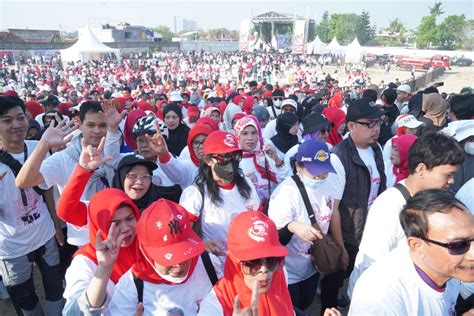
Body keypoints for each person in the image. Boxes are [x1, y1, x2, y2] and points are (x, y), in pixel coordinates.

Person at [348, 133, 465, 297]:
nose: (452, 181)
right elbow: (371, 262)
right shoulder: (390, 205)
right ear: (422, 169)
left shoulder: (434, 201)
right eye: (447, 175)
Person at [16, 100, 123, 247]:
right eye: (91, 125)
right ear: (80, 125)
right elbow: (23, 182)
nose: (97, 131)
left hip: (118, 233)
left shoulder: (114, 153)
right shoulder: (64, 158)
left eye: (103, 125)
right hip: (85, 239)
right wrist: (44, 144)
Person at [349, 189, 474, 315]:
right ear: (416, 245)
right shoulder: (380, 296)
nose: (472, 253)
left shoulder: (449, 271)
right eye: (458, 245)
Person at [0, 95, 64, 315]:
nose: (16, 125)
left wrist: (56, 226)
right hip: (13, 248)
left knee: (56, 291)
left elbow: (46, 192)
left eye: (20, 117)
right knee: (26, 302)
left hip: (45, 234)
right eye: (7, 121)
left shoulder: (38, 148)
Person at [322, 97, 387, 311]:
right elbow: (334, 209)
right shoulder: (339, 157)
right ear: (351, 126)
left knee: (357, 273)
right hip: (349, 232)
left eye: (378, 122)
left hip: (370, 227)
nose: (376, 129)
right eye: (369, 124)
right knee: (337, 275)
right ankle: (329, 307)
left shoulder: (375, 149)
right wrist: (341, 247)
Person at [108, 199, 222, 315]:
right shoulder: (131, 287)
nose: (178, 264)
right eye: (168, 258)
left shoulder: (209, 265)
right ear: (146, 253)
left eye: (184, 254)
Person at [269, 139, 342, 311]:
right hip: (289, 272)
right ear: (298, 168)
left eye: (324, 171)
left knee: (307, 303)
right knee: (292, 309)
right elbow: (274, 241)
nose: (320, 177)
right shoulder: (285, 194)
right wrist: (291, 227)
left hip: (313, 267)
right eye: (314, 172)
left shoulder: (329, 184)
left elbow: (330, 217)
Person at [179, 130, 260, 259]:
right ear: (208, 160)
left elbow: (258, 219)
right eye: (224, 157)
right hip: (216, 268)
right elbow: (182, 235)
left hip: (247, 264)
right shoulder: (196, 193)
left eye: (235, 156)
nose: (231, 162)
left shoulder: (247, 185)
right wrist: (201, 245)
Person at [198, 211, 293, 315]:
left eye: (272, 259)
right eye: (252, 262)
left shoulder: (280, 273)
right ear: (234, 262)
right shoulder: (214, 307)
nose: (264, 269)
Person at [62, 187, 139, 315]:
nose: (125, 228)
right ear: (99, 225)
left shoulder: (146, 243)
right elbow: (73, 313)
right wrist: (104, 267)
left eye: (130, 218)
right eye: (115, 223)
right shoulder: (85, 261)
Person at [233, 115, 289, 206]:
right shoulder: (233, 160)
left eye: (254, 133)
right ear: (237, 135)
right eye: (244, 133)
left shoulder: (266, 155)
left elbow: (287, 181)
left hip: (272, 210)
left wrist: (277, 161)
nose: (250, 138)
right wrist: (242, 184)